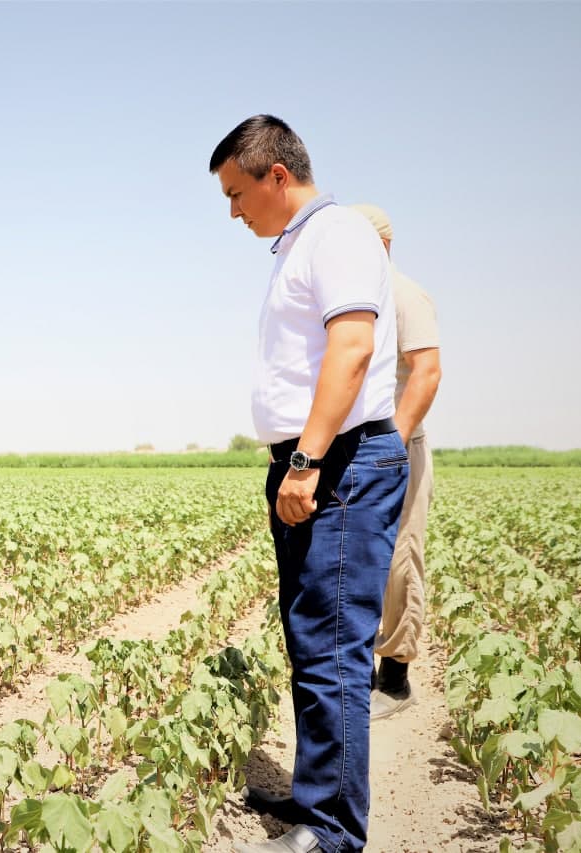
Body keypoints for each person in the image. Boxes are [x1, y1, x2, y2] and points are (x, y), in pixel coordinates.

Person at [208, 116, 409, 853]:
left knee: (333, 652)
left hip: (342, 464)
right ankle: (317, 795)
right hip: (320, 462)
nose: (234, 210)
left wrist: (306, 461)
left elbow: (351, 349)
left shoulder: (339, 235)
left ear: (276, 176)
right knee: (311, 642)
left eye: (236, 193)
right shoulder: (301, 243)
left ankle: (332, 834)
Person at [350, 204, 442, 720]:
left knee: (399, 560)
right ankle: (360, 671)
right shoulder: (356, 299)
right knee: (359, 558)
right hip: (359, 445)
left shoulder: (405, 295)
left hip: (399, 446)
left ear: (382, 246)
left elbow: (426, 373)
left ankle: (396, 679)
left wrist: (393, 442)